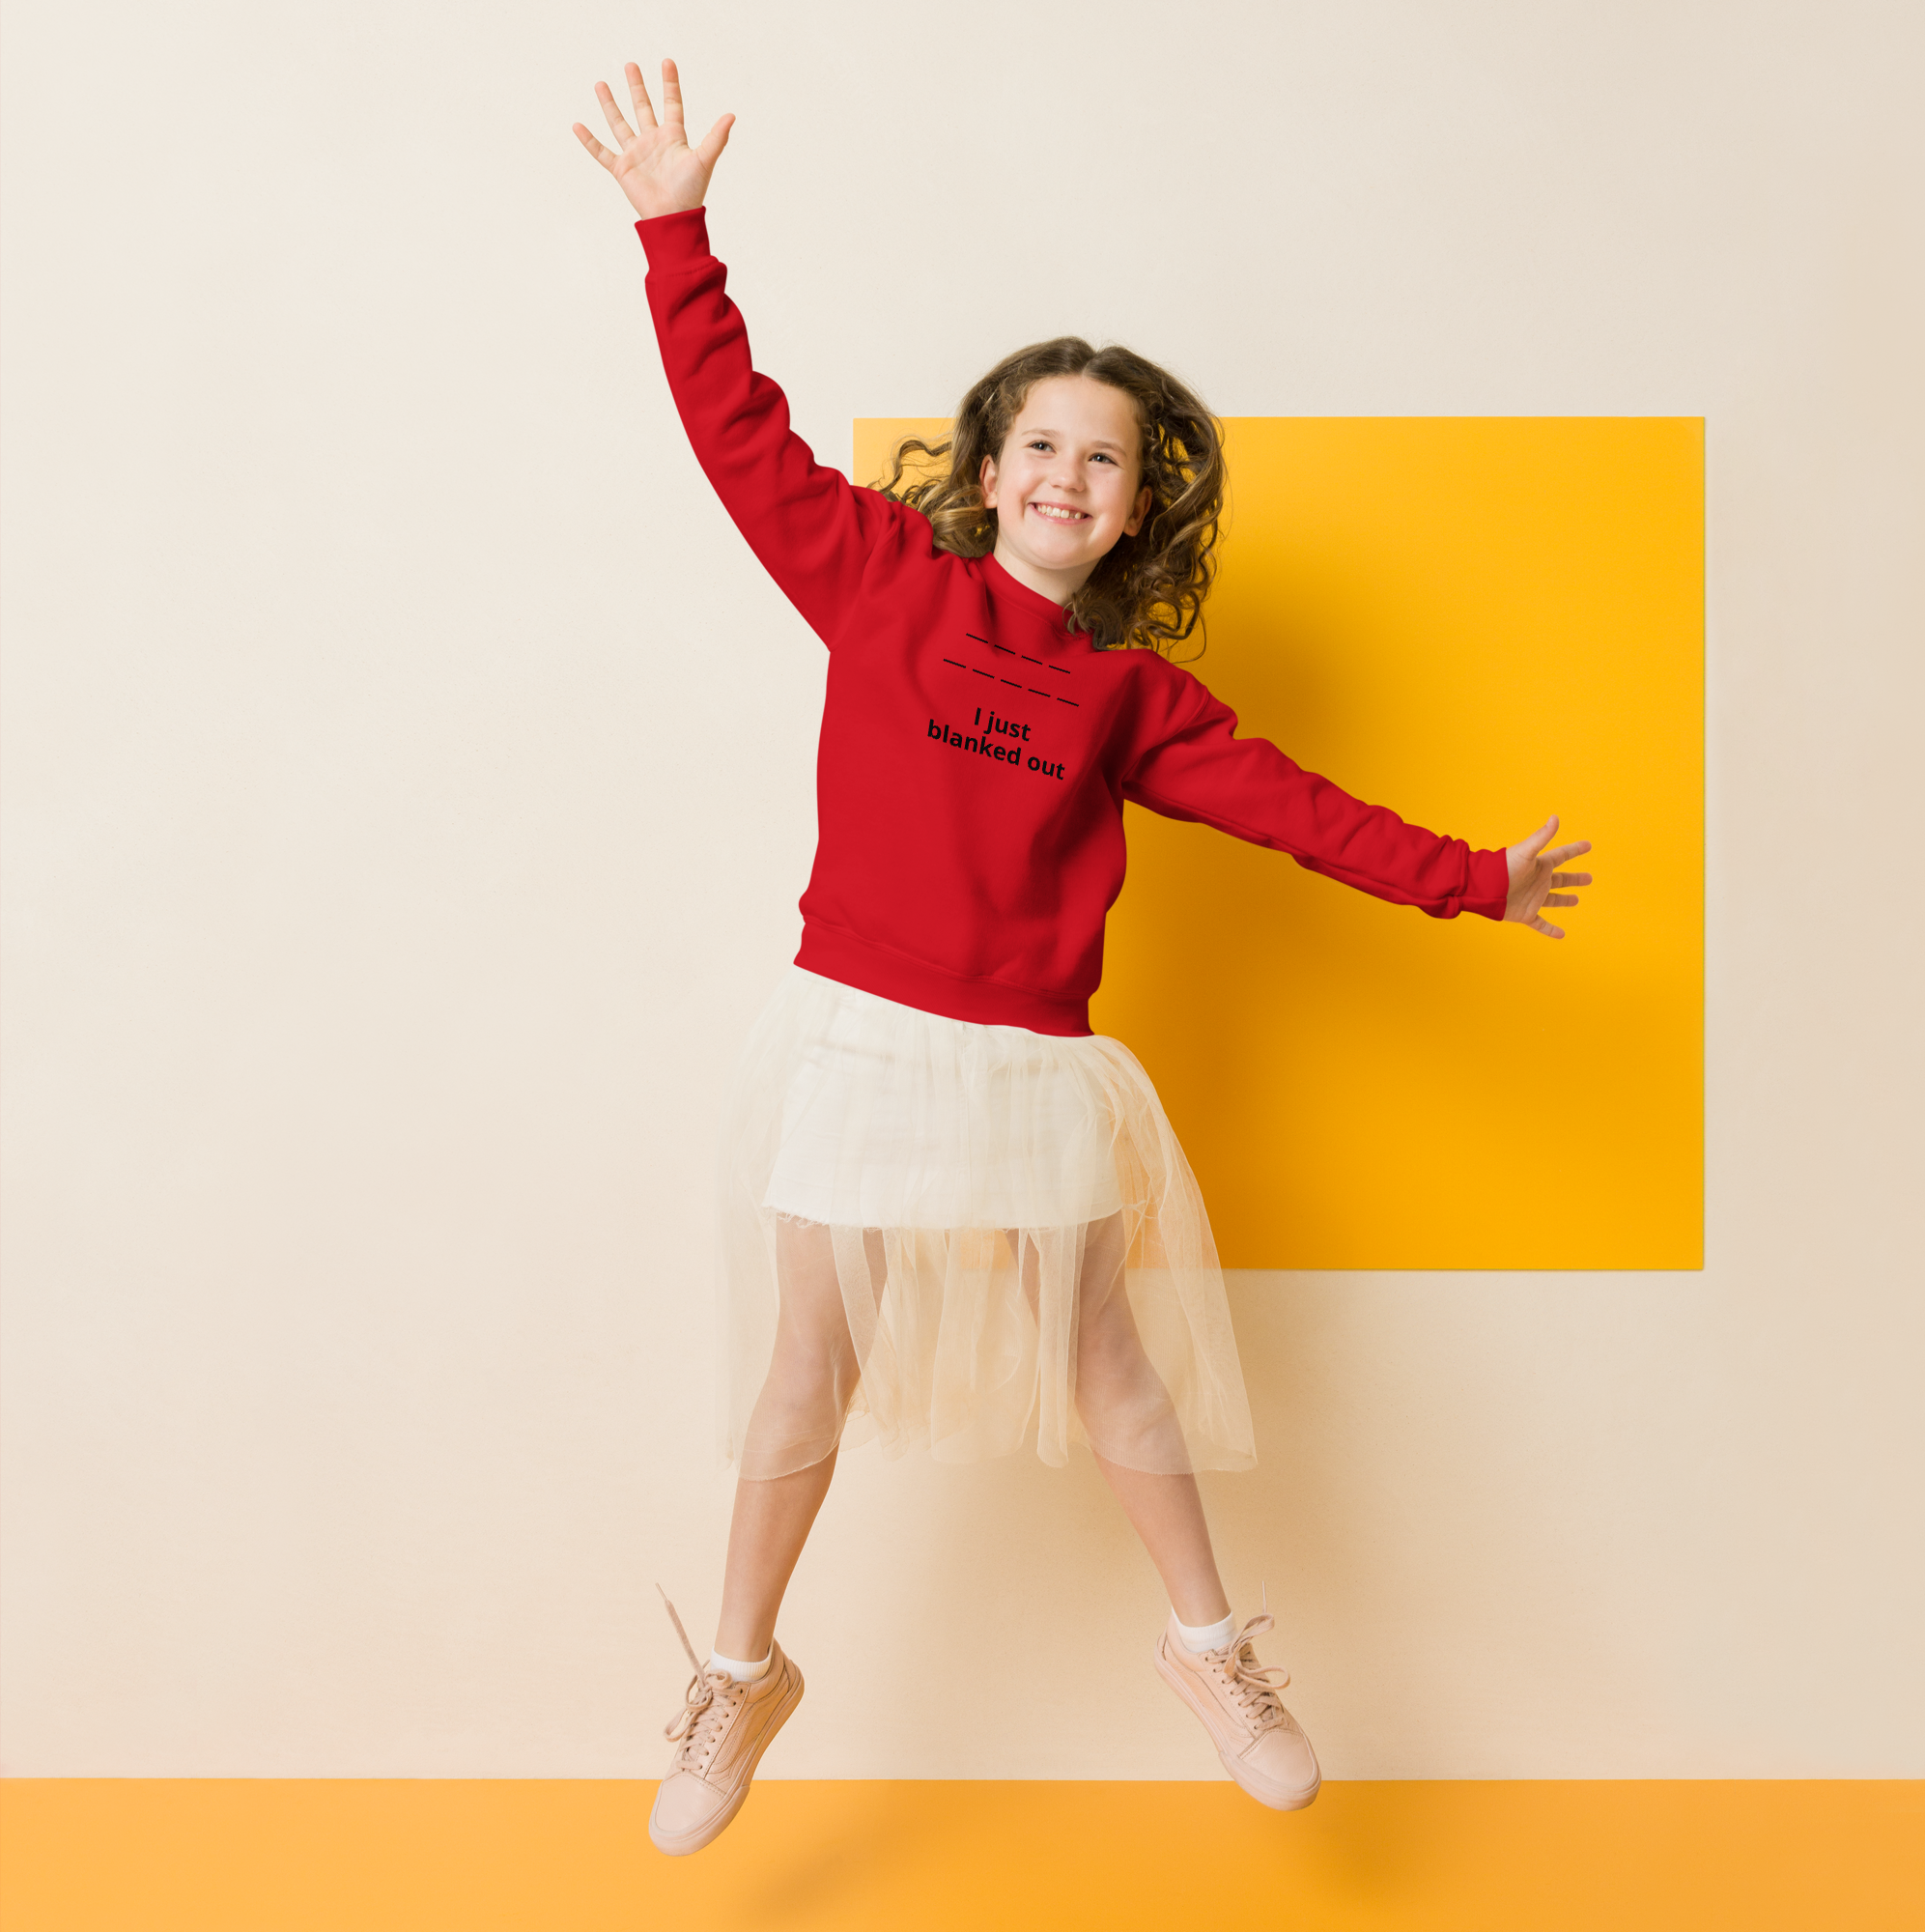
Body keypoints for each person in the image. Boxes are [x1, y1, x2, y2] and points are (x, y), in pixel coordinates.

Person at [572, 59, 1593, 1858]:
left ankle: (1211, 1652)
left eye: (1103, 457)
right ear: (984, 472)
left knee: (1108, 1353)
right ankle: (738, 1673)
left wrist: (1467, 881)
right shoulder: (879, 580)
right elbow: (738, 433)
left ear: (1135, 512)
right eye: (1038, 441)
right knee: (810, 1359)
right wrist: (679, 235)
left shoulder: (1131, 696)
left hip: (1031, 1054)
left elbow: (1294, 806)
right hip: (862, 1039)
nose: (1066, 471)